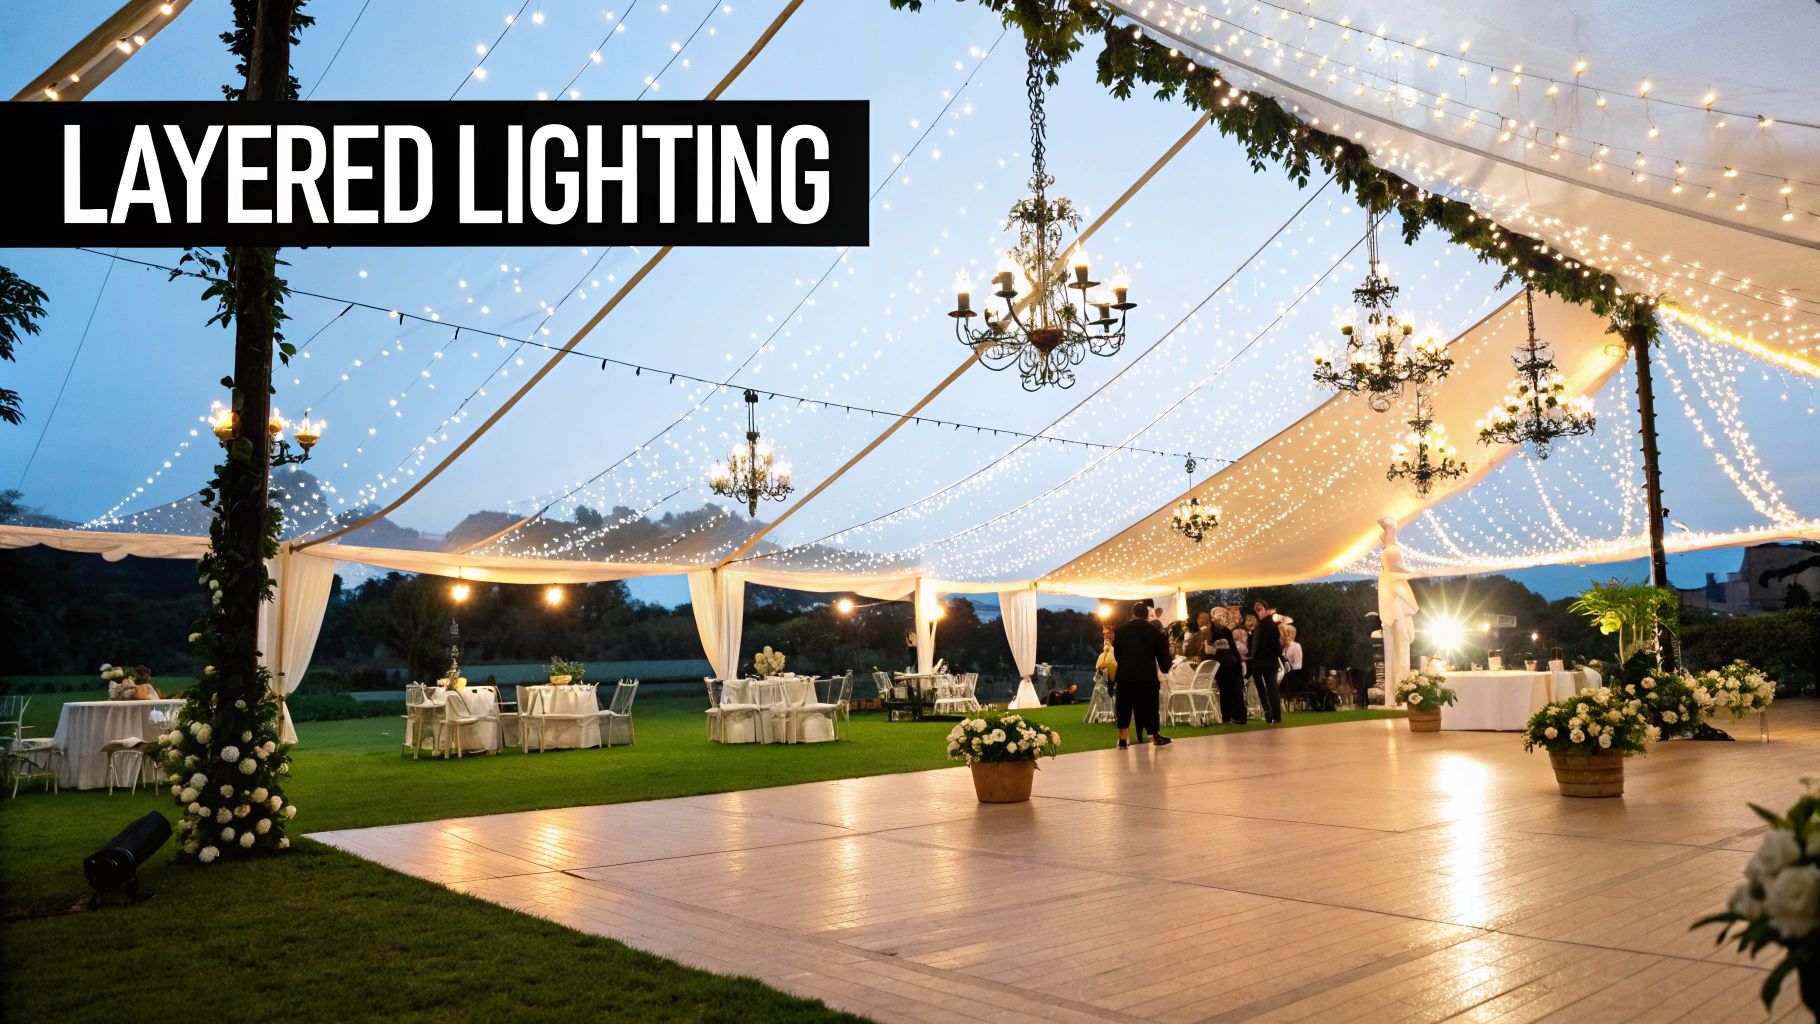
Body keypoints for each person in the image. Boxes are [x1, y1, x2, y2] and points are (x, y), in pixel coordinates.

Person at [1111, 601, 1172, 748]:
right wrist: (1165, 667)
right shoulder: (1154, 632)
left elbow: (1117, 655)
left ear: (1133, 614)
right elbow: (1164, 658)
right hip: (1146, 676)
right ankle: (1155, 736)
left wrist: (1126, 665)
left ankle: (1123, 738)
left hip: (1125, 676)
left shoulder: (1120, 631)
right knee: (1150, 706)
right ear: (1146, 615)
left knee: (1124, 706)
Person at [1248, 600, 1284, 724]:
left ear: (1266, 609)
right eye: (1257, 610)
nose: (1258, 612)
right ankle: (1269, 713)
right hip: (1259, 662)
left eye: (1260, 609)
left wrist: (1280, 658)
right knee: (1263, 689)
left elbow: (1276, 644)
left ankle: (1275, 715)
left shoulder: (1270, 625)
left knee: (1271, 689)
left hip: (1268, 661)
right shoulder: (1261, 625)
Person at [1210, 608, 1247, 725]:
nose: (1221, 617)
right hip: (1221, 666)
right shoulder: (1212, 631)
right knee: (1225, 691)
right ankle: (1227, 716)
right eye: (1218, 615)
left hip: (1230, 665)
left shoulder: (1226, 631)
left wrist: (1238, 662)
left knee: (1234, 690)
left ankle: (1238, 716)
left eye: (1223, 615)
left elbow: (1233, 649)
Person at [1278, 624, 1306, 708]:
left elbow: (1298, 665)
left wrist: (1287, 671)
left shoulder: (1296, 646)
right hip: (1285, 674)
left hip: (1293, 676)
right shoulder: (1283, 649)